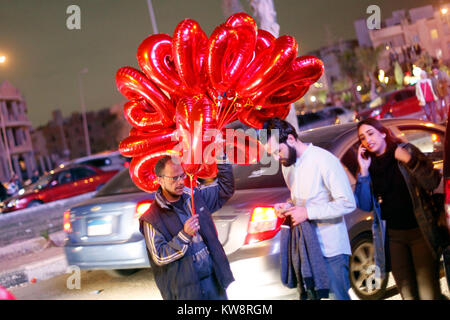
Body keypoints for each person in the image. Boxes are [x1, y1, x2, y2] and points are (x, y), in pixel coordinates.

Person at [262, 118, 356, 300]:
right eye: (271, 154)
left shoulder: (324, 160)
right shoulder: (288, 167)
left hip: (331, 249)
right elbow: (300, 200)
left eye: (277, 151)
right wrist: (288, 207)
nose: (276, 158)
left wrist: (307, 213)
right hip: (305, 249)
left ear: (290, 139)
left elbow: (347, 202)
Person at [354, 118, 443, 300]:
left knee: (428, 294)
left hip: (420, 231)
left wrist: (410, 161)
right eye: (362, 138)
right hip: (393, 238)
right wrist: (363, 173)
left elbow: (432, 181)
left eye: (370, 133)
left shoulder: (405, 151)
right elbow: (365, 205)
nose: (367, 140)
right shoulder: (368, 166)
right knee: (407, 294)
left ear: (383, 133)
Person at [139, 155, 235, 300]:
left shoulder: (194, 195)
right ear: (160, 180)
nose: (180, 182)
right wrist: (184, 235)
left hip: (214, 281)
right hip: (186, 291)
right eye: (174, 178)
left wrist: (221, 157)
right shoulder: (151, 218)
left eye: (182, 176)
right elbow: (159, 256)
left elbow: (225, 189)